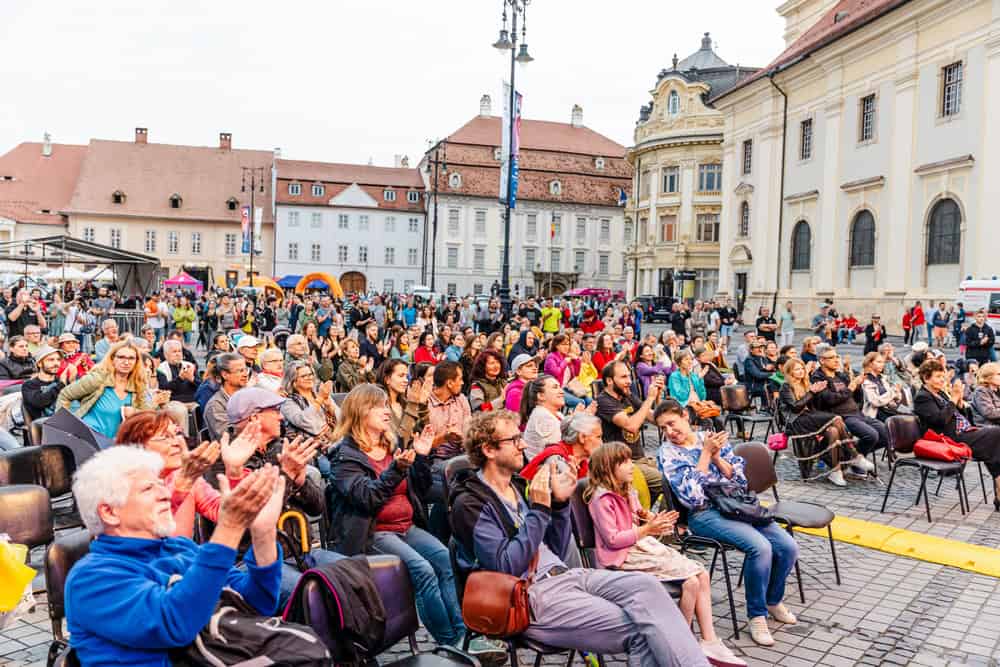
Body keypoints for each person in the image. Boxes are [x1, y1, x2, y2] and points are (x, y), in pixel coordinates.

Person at [450, 409, 708, 666]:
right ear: (489, 450)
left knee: (647, 588)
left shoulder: (517, 487)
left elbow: (558, 549)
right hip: (528, 598)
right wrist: (540, 511)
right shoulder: (471, 503)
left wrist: (560, 507)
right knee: (643, 629)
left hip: (565, 575)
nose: (523, 445)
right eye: (514, 440)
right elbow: (505, 567)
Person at [64, 446, 283, 667]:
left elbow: (256, 604)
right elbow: (175, 623)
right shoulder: (90, 578)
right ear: (109, 513)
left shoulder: (180, 547)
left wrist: (263, 533)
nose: (167, 494)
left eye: (161, 484)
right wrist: (230, 528)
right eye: (149, 488)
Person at [323, 385, 489, 654]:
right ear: (360, 411)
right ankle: (448, 641)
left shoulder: (390, 445)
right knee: (422, 571)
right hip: (372, 531)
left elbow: (419, 488)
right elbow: (367, 498)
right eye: (380, 406)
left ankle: (463, 636)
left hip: (405, 525)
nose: (387, 411)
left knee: (446, 561)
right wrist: (395, 470)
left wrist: (421, 459)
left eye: (387, 405)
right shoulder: (345, 456)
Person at [585, 441, 745, 666]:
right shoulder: (601, 499)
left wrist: (649, 518)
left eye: (631, 460)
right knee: (692, 580)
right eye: (625, 462)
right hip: (622, 558)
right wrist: (647, 529)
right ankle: (680, 644)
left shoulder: (626, 489)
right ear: (608, 467)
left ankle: (704, 641)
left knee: (699, 577)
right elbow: (612, 540)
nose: (632, 466)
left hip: (640, 547)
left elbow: (635, 515)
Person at [656, 400, 798, 647]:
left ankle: (773, 600)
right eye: (663, 428)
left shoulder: (709, 437)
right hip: (704, 514)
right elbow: (692, 498)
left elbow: (741, 481)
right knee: (760, 547)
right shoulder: (667, 453)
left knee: (787, 546)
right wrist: (704, 454)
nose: (669, 431)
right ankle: (757, 615)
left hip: (736, 504)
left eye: (671, 423)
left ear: (685, 417)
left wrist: (718, 458)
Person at [914, 359, 1000, 511]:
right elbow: (940, 421)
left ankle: (999, 489)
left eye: (943, 376)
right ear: (926, 378)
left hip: (964, 432)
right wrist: (953, 399)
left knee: (993, 445)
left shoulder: (940, 394)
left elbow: (965, 418)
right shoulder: (923, 397)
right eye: (938, 376)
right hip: (949, 439)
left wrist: (959, 403)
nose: (942, 380)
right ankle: (999, 488)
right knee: (996, 435)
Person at [778, 359, 858, 486]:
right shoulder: (786, 386)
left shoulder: (806, 383)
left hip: (810, 418)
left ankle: (835, 472)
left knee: (833, 431)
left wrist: (818, 393)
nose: (801, 371)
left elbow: (814, 407)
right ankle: (853, 455)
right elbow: (795, 407)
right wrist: (812, 392)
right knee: (836, 418)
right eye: (797, 369)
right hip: (797, 421)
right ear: (790, 372)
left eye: (802, 368)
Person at [56, 339, 152, 439]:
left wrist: (134, 412)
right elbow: (65, 395)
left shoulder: (137, 385)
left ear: (136, 362)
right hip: (87, 438)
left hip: (115, 444)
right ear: (112, 359)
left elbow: (147, 415)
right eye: (121, 357)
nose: (126, 362)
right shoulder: (98, 378)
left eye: (131, 358)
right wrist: (63, 425)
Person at [596, 360, 665, 498]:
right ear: (609, 381)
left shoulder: (627, 395)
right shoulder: (603, 401)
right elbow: (631, 426)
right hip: (623, 463)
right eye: (623, 377)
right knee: (666, 481)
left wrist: (657, 397)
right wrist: (649, 399)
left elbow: (656, 419)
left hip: (641, 459)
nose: (629, 381)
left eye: (629, 376)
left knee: (674, 473)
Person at [809, 348, 885, 471]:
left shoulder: (841, 376)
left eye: (837, 357)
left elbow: (855, 397)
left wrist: (858, 387)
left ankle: (851, 456)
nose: (836, 360)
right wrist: (851, 388)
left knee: (885, 435)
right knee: (871, 435)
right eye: (832, 357)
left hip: (857, 413)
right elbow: (830, 399)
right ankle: (853, 458)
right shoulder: (818, 378)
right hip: (840, 417)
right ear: (822, 360)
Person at [520, 412, 601, 481]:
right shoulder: (556, 459)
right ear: (582, 437)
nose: (601, 443)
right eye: (598, 437)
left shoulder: (581, 461)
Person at [377, 358, 429, 449]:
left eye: (406, 376)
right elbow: (399, 445)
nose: (406, 380)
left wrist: (423, 406)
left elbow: (426, 432)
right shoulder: (380, 406)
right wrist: (413, 405)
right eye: (401, 376)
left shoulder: (404, 403)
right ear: (387, 379)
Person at [203, 353, 249, 441]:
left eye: (245, 370)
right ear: (224, 375)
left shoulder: (248, 395)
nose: (245, 374)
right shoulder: (215, 405)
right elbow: (228, 436)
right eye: (240, 371)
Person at [521, 375, 567, 460]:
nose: (562, 391)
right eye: (555, 387)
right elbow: (559, 452)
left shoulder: (556, 414)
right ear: (541, 396)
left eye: (560, 387)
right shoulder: (543, 418)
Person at [22, 345, 74, 421]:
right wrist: (61, 385)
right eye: (51, 360)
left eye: (58, 359)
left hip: (67, 422)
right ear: (39, 364)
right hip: (44, 425)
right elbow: (39, 402)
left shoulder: (62, 381)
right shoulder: (29, 385)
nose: (56, 363)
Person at [860, 352, 903, 422]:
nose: (882, 365)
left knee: (912, 417)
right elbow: (875, 402)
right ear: (870, 363)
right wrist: (893, 392)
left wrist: (897, 393)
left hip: (889, 410)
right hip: (875, 414)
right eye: (879, 362)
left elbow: (895, 399)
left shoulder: (882, 378)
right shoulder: (866, 380)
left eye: (883, 362)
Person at [156, 339, 199, 403]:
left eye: (179, 351)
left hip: (192, 400)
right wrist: (180, 378)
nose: (178, 354)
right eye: (174, 352)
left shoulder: (189, 365)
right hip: (173, 402)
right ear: (166, 355)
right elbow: (163, 388)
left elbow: (201, 385)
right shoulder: (161, 368)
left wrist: (192, 379)